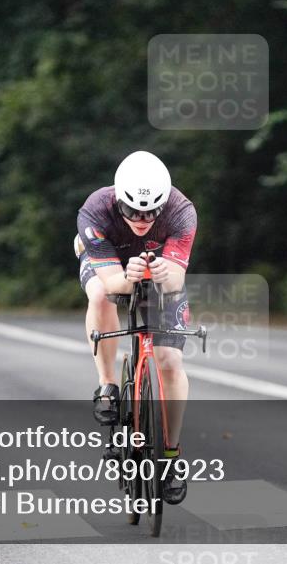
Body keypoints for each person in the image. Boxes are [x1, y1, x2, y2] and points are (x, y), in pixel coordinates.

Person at [75, 150, 196, 504]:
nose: (142, 219)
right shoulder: (96, 209)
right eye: (132, 211)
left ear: (164, 204)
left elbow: (174, 279)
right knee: (99, 295)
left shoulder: (181, 211)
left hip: (160, 268)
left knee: (170, 362)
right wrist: (124, 278)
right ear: (118, 200)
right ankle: (107, 385)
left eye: (150, 212)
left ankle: (171, 457)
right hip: (110, 263)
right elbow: (113, 283)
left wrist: (161, 274)